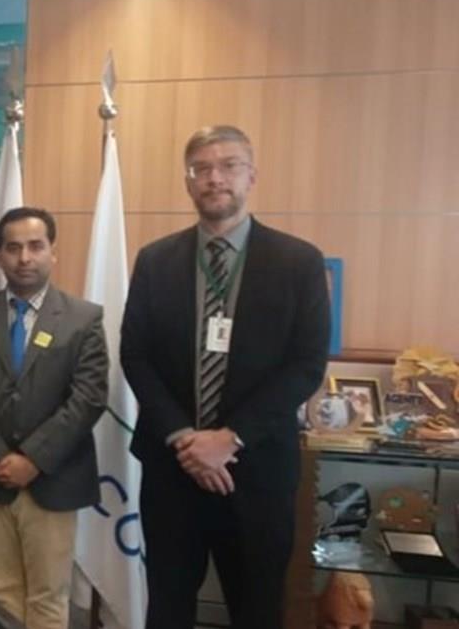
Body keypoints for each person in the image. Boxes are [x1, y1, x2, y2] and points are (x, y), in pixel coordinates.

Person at [120, 125, 330, 629]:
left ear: (251, 176)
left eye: (229, 166)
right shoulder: (155, 260)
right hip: (173, 469)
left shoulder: (299, 262)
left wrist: (228, 439)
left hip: (257, 472)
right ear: (188, 182)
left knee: (257, 609)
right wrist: (186, 439)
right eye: (202, 169)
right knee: (167, 606)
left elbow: (305, 364)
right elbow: (135, 355)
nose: (215, 178)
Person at [0, 207, 107, 629]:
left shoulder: (84, 318)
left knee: (48, 597)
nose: (24, 257)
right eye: (13, 247)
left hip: (52, 478)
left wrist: (32, 459)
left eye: (35, 246)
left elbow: (89, 398)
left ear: (53, 251)